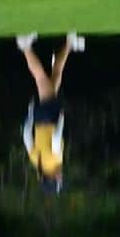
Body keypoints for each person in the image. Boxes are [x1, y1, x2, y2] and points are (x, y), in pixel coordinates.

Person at [16, 32, 85, 193]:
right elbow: (26, 135)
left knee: (40, 78)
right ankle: (69, 43)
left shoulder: (56, 160)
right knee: (56, 76)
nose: (61, 178)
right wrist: (31, 113)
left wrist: (61, 119)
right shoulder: (37, 163)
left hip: (51, 116)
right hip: (40, 117)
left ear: (51, 177)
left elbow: (55, 138)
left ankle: (24, 46)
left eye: (59, 180)